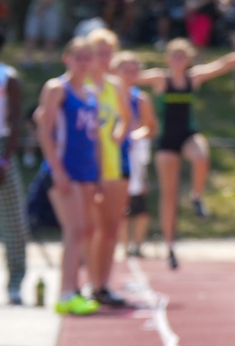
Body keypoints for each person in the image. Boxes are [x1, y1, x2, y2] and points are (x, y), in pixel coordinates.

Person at [137, 34, 235, 269]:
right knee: (169, 196)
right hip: (166, 141)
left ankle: (196, 196)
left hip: (187, 134)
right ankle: (170, 246)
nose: (178, 60)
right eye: (174, 56)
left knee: (200, 156)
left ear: (188, 59)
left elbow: (225, 64)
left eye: (182, 56)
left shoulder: (193, 78)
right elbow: (129, 78)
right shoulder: (159, 79)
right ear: (168, 59)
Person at [36, 37, 101, 314]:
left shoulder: (91, 93)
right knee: (73, 230)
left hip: (86, 171)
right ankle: (65, 293)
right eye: (78, 57)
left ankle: (75, 288)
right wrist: (57, 170)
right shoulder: (56, 89)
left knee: (85, 230)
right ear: (67, 58)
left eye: (88, 57)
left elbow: (93, 138)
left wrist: (97, 175)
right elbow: (44, 130)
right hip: (64, 170)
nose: (83, 62)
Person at [86, 28, 131, 307]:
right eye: (99, 53)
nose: (104, 58)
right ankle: (89, 283)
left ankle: (103, 285)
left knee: (111, 228)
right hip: (87, 164)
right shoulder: (82, 85)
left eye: (108, 53)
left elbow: (127, 118)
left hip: (112, 164)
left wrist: (118, 135)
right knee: (90, 228)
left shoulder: (115, 86)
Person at [116, 51, 159, 258]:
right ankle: (123, 245)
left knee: (139, 201)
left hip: (134, 156)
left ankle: (137, 245)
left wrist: (133, 135)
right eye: (127, 71)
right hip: (112, 156)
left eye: (135, 71)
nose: (131, 75)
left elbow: (151, 127)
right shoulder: (107, 95)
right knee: (119, 203)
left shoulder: (140, 98)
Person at [0, 59, 26, 304]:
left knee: (13, 220)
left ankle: (15, 283)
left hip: (2, 147)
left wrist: (5, 158)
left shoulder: (8, 76)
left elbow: (15, 120)